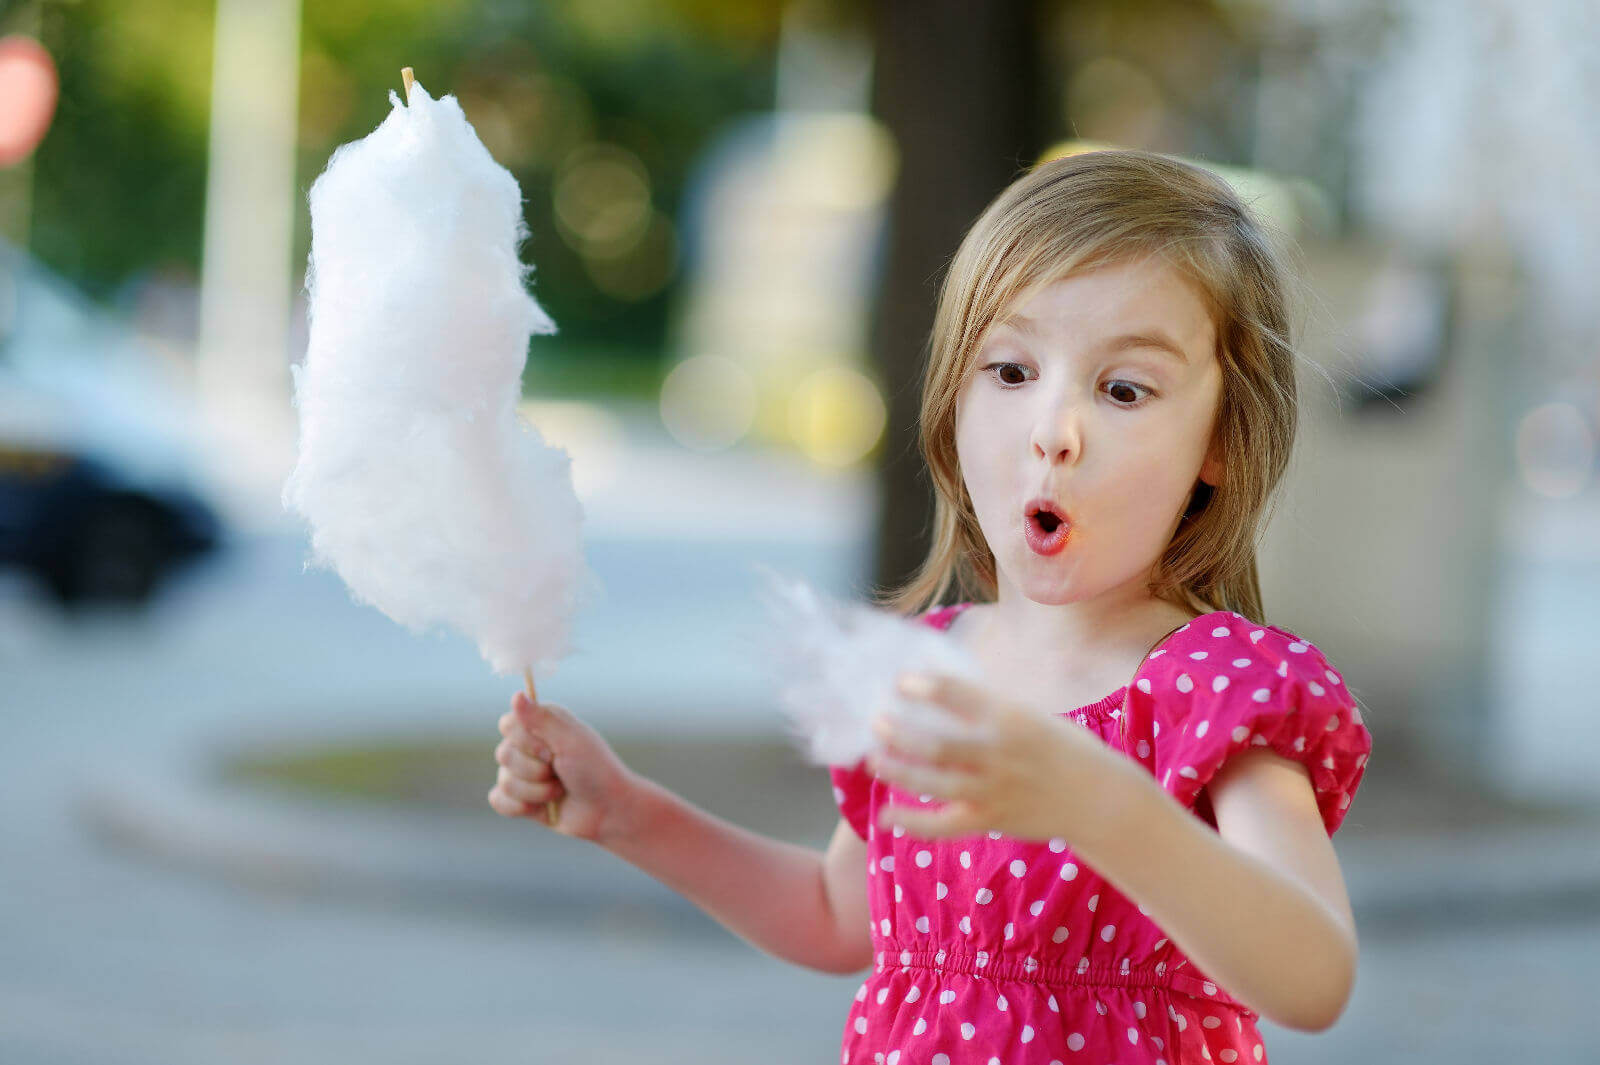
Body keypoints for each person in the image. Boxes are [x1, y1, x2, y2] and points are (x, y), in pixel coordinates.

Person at [488, 148, 1374, 1064]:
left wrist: (1102, 805)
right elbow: (840, 917)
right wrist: (627, 811)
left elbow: (1313, 976)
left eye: (1122, 389)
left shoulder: (1218, 688)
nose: (1053, 432)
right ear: (954, 399)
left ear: (1219, 445)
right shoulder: (930, 673)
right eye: (1011, 371)